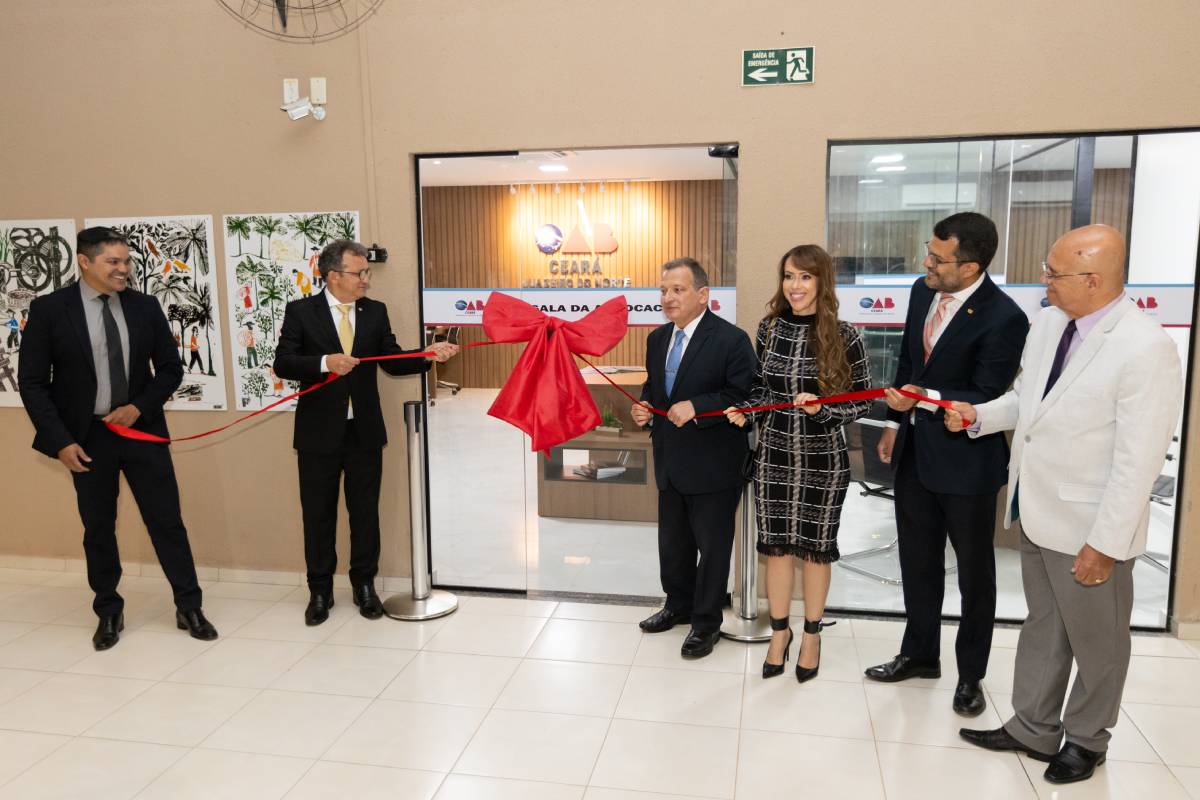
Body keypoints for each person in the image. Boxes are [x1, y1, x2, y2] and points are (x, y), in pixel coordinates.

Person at [950, 224, 1182, 785]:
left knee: (1098, 643)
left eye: (1054, 273)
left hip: (1090, 527)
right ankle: (1033, 725)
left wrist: (1104, 544)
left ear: (1094, 280)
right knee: (1044, 626)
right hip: (1037, 510)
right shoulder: (1052, 323)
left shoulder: (1146, 347)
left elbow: (1137, 461)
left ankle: (1086, 739)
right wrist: (979, 416)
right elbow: (1028, 403)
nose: (1044, 282)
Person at [17, 227, 217, 651]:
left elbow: (169, 369)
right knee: (98, 528)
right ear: (85, 262)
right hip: (86, 438)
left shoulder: (144, 307)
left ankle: (189, 605)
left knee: (167, 521)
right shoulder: (51, 309)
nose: (124, 269)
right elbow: (32, 383)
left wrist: (139, 407)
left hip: (141, 431)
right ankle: (108, 610)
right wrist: (60, 441)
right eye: (114, 262)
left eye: (126, 261)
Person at [864, 212, 1028, 717]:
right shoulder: (920, 291)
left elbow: (985, 394)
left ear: (971, 266)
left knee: (975, 576)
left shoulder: (1006, 318)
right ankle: (919, 654)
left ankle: (971, 676)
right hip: (915, 451)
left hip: (968, 462)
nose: (925, 264)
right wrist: (895, 421)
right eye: (927, 252)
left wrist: (924, 396)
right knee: (917, 562)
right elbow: (909, 365)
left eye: (938, 258)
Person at [273, 239, 458, 625]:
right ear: (333, 276)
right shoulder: (301, 312)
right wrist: (325, 362)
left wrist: (427, 355)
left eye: (366, 272)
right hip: (317, 434)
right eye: (359, 273)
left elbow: (391, 359)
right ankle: (319, 591)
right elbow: (284, 363)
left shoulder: (374, 312)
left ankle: (364, 587)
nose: (365, 280)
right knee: (318, 515)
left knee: (365, 513)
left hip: (364, 432)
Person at [725, 245, 872, 681]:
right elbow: (761, 389)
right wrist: (747, 410)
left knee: (815, 552)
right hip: (773, 455)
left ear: (822, 282)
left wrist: (823, 410)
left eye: (805, 277)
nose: (795, 286)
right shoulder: (769, 328)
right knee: (776, 550)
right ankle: (779, 633)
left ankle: (811, 634)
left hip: (823, 460)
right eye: (789, 276)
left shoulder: (847, 336)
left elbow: (862, 398)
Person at [631, 257, 756, 658]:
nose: (668, 298)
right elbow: (655, 388)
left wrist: (697, 407)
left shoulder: (731, 340)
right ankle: (677, 605)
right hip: (670, 460)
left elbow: (744, 396)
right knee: (674, 544)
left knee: (713, 547)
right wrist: (646, 407)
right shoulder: (656, 339)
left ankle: (705, 623)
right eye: (664, 290)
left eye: (678, 290)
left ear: (703, 295)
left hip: (714, 463)